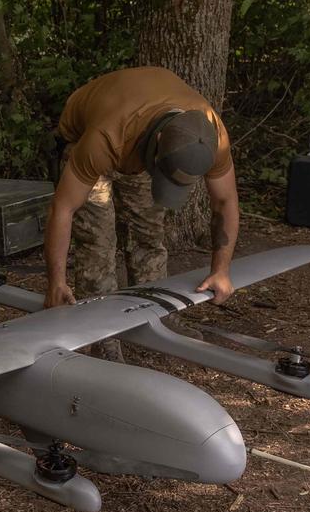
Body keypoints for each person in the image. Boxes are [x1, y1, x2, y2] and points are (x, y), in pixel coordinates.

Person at [43, 67, 240, 358]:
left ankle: (156, 315)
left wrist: (221, 270)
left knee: (148, 235)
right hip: (91, 134)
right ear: (158, 144)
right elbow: (63, 207)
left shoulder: (210, 134)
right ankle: (103, 336)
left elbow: (225, 202)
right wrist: (55, 283)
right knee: (98, 244)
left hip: (142, 137)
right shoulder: (104, 138)